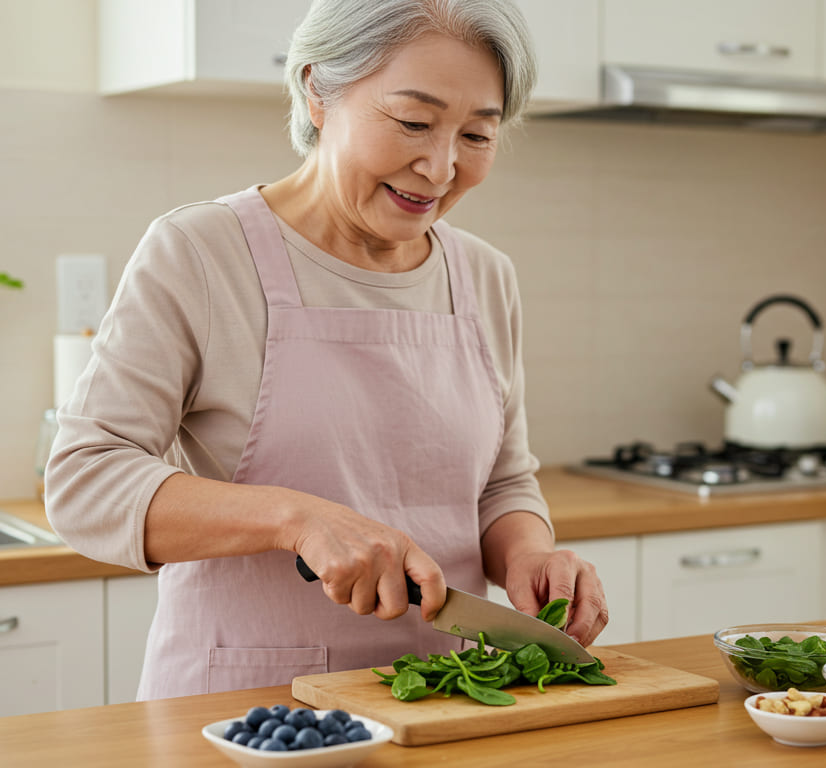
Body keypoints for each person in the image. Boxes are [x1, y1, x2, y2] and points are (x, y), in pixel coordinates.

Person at [44, 0, 608, 700]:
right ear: (317, 90)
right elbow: (85, 483)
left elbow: (501, 482)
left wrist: (530, 553)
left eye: (476, 135)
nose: (439, 167)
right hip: (248, 709)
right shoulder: (201, 253)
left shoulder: (485, 276)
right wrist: (296, 518)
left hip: (449, 697)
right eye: (413, 122)